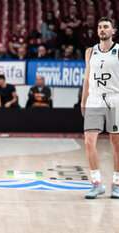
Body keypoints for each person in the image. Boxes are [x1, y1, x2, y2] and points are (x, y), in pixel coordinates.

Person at [81, 17, 119, 199]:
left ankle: (117, 183)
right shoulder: (90, 52)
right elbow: (87, 78)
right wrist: (83, 101)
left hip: (115, 99)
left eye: (106, 27)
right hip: (94, 99)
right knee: (89, 141)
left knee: (116, 144)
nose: (102, 29)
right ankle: (96, 183)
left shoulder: (118, 51)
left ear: (113, 31)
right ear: (97, 31)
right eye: (100, 27)